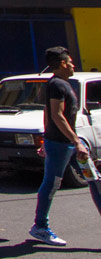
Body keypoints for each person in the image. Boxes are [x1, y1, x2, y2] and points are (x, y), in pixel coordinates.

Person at [29, 47, 99, 245]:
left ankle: (40, 226)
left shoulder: (61, 84)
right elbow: (57, 115)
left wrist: (44, 138)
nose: (73, 65)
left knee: (94, 181)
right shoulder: (58, 85)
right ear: (62, 63)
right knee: (51, 184)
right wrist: (76, 142)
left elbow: (47, 113)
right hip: (62, 145)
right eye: (70, 62)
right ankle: (40, 227)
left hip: (67, 144)